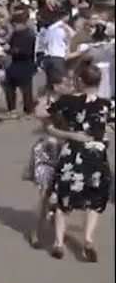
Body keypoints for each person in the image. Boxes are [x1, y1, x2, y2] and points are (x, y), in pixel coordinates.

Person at [43, 61, 113, 262]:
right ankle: (88, 240)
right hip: (97, 156)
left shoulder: (67, 102)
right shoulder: (107, 105)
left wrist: (69, 134)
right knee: (95, 200)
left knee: (64, 199)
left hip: (72, 154)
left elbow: (46, 121)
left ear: (80, 81)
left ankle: (58, 242)